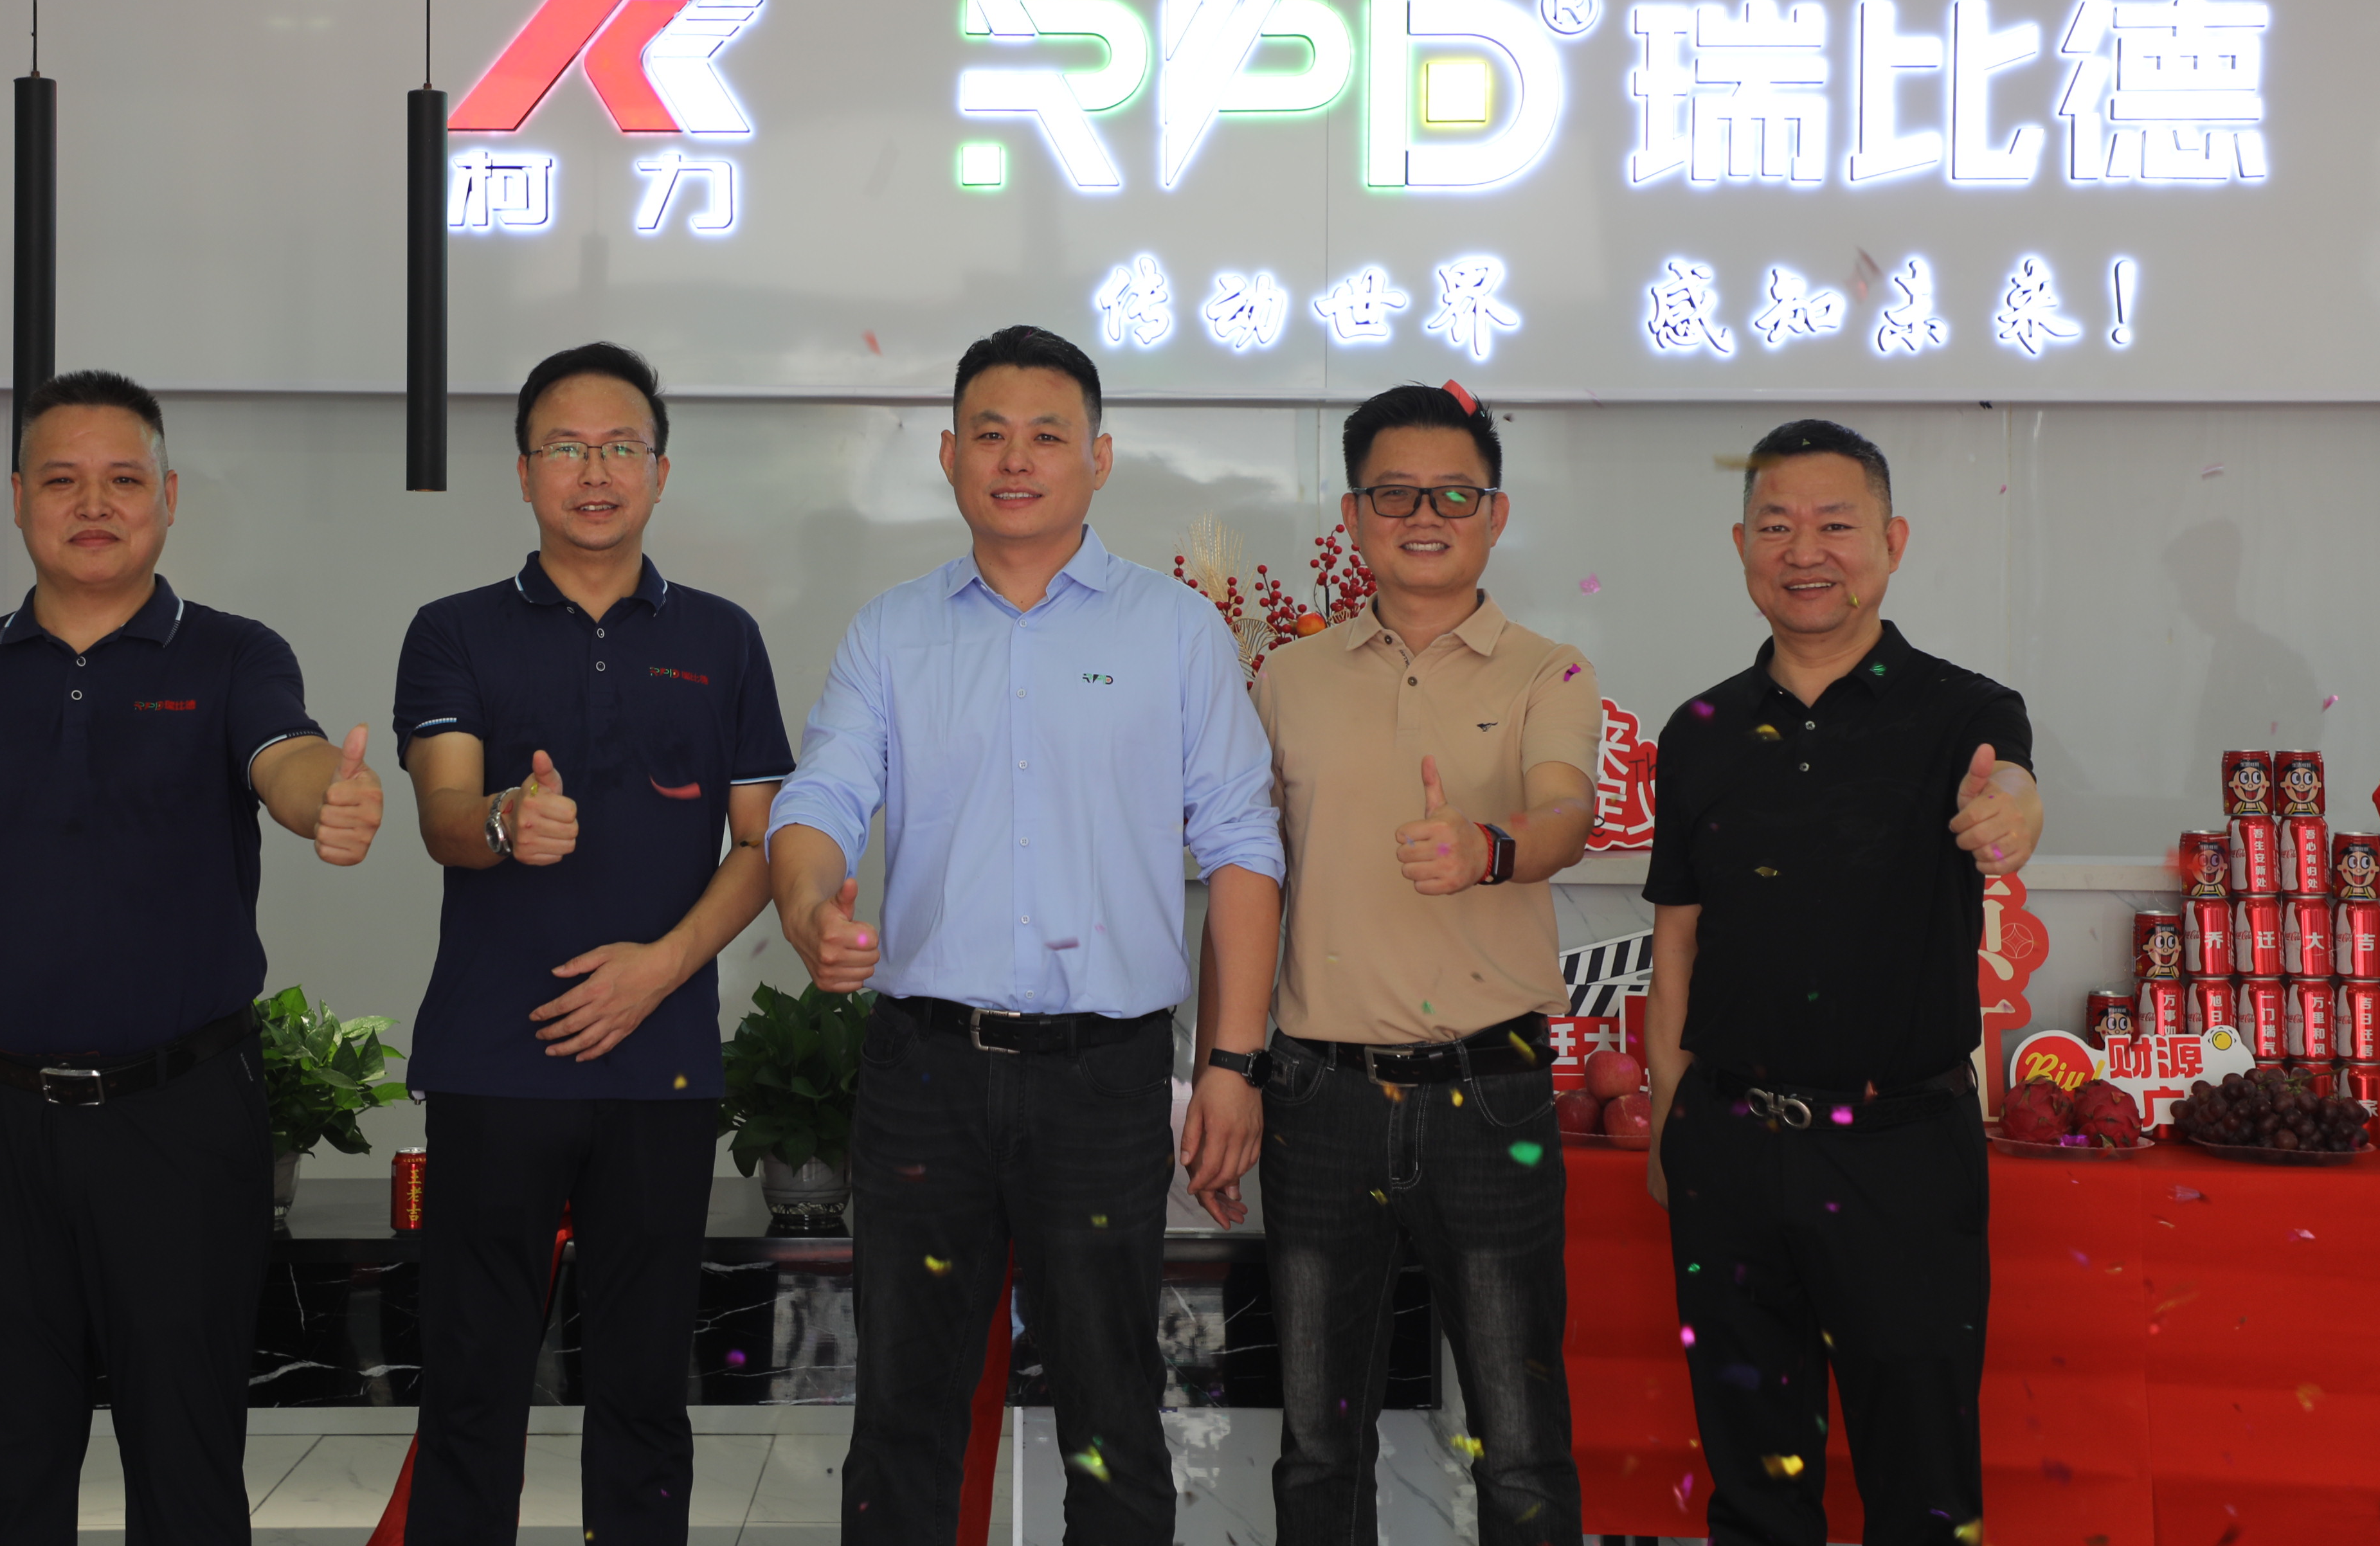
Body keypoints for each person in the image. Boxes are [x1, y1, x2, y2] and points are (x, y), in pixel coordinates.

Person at [0, 369, 384, 1546]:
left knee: (187, 1470)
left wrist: (325, 802)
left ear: (169, 499)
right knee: (5, 1472)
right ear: (18, 498)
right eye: (63, 480)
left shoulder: (233, 656)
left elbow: (286, 755)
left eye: (124, 480)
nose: (94, 505)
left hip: (181, 1120)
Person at [766, 324, 1285, 1546]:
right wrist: (807, 906)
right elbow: (820, 800)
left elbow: (1243, 848)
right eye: (989, 434)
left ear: (1099, 457)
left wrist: (1232, 1063)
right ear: (948, 455)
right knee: (904, 1409)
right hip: (924, 1073)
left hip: (1102, 1080)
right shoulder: (892, 631)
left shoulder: (1175, 632)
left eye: (1047, 435)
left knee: (1112, 1409)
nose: (1016, 459)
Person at [394, 341, 793, 1546]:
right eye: (566, 447)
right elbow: (443, 814)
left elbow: (762, 845)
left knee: (643, 1392)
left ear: (661, 471)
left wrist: (662, 968)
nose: (596, 471)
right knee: (472, 1392)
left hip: (659, 1068)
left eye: (622, 447)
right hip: (493, 1063)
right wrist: (505, 823)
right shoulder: (454, 631)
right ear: (524, 472)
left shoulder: (723, 639)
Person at [1642, 418, 2042, 1546]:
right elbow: (1679, 942)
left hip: (1902, 1154)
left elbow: (2012, 786)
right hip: (1732, 1145)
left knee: (1922, 1489)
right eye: (1776, 526)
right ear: (1741, 547)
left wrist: (2011, 813)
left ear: (1892, 542)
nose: (1804, 551)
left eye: (1835, 525)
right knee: (1754, 1490)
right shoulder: (1701, 729)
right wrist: (1673, 1124)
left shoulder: (1965, 711)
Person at [1245, 382, 1598, 1546]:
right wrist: (1230, 1071)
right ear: (1353, 516)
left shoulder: (1549, 671)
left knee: (1520, 1438)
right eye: (1395, 494)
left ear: (1496, 514)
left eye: (1455, 494)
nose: (1425, 516)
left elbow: (1566, 813)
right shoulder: (1287, 679)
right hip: (1320, 1096)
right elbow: (1247, 880)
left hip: (1491, 1096)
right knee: (1318, 1441)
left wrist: (1489, 848)